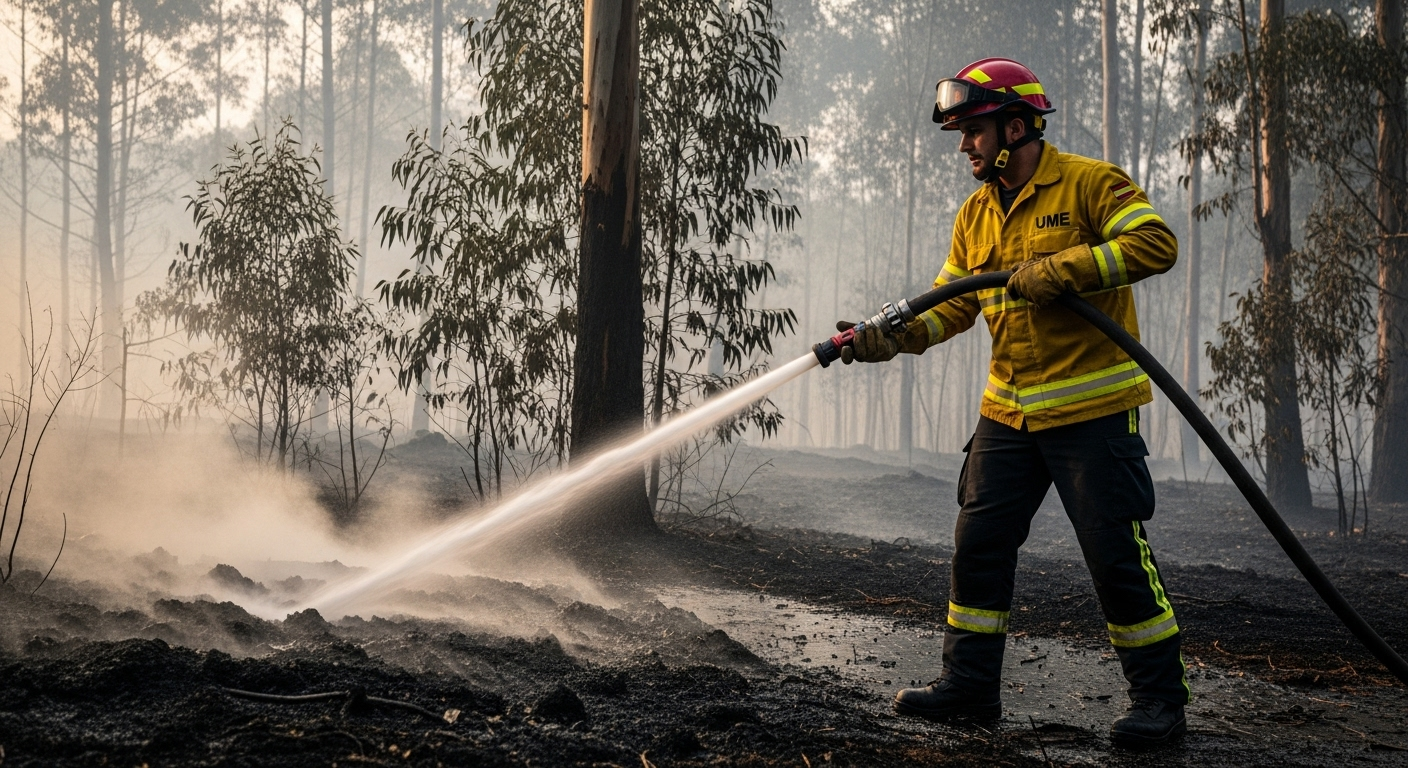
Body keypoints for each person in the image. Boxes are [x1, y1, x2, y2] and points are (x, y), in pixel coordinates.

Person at [836, 57, 1188, 746]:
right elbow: (951, 308)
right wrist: (884, 341)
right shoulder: (975, 214)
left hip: (1091, 416)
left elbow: (1156, 243)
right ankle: (969, 687)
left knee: (1114, 557)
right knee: (980, 545)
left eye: (973, 131)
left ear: (1017, 125)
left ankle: (1159, 701)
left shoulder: (1090, 183)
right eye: (961, 134)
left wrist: (1067, 268)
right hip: (1008, 414)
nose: (965, 146)